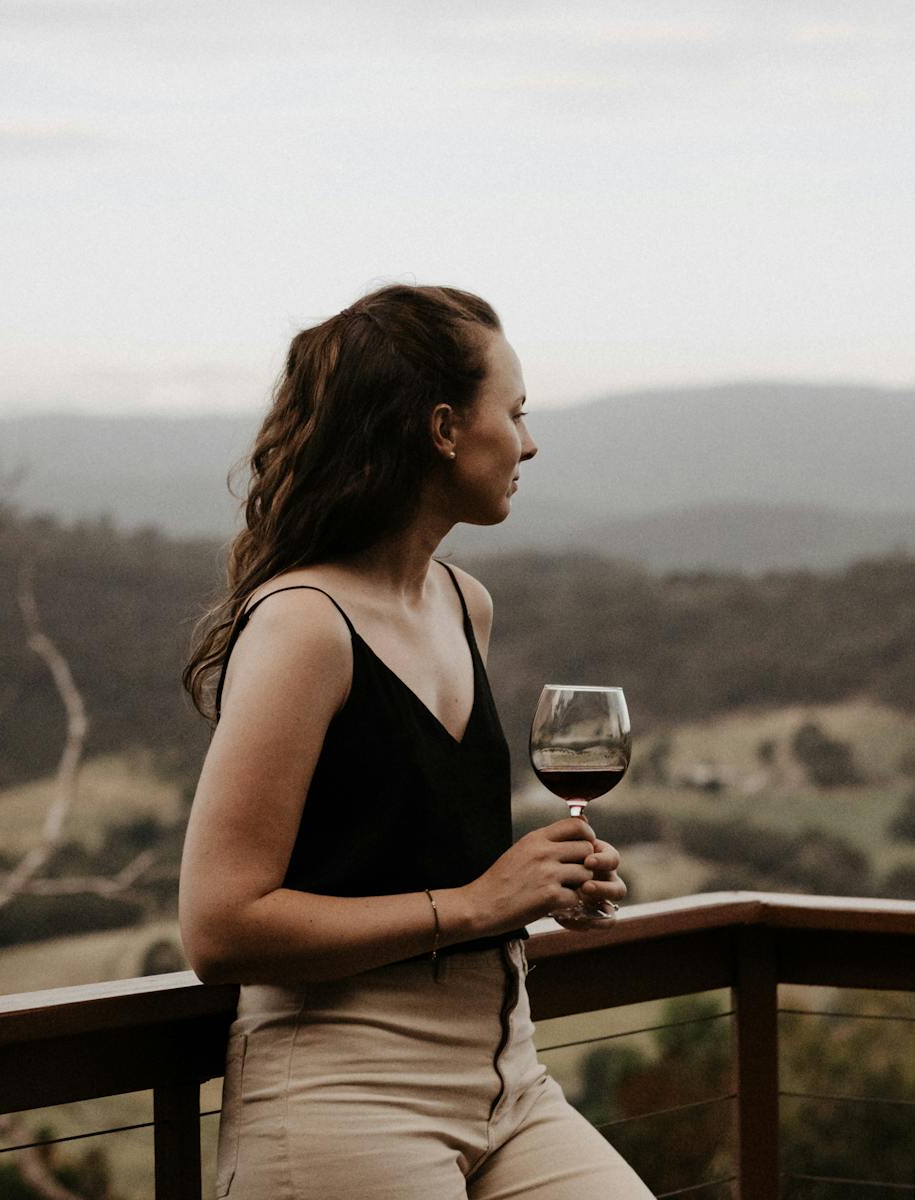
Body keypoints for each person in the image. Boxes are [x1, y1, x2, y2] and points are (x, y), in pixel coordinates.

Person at [178, 284, 653, 1199]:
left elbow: (425, 847)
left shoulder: (463, 602)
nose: (531, 441)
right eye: (514, 414)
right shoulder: (304, 624)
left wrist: (540, 888)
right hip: (344, 1097)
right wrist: (478, 903)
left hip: (510, 1082)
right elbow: (220, 925)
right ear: (443, 427)